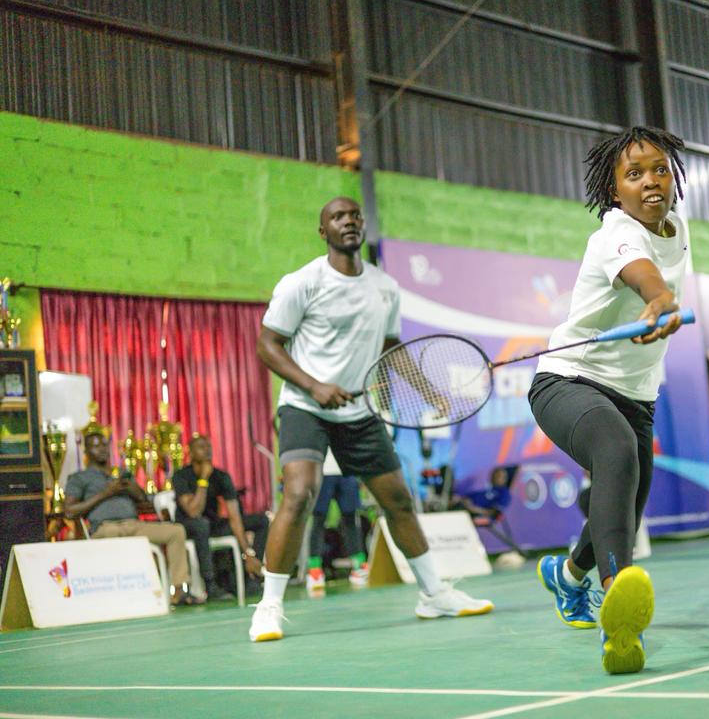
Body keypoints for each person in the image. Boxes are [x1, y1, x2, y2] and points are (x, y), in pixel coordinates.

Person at [248, 196, 493, 642]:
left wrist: (431, 392)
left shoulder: (384, 287)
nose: (349, 222)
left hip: (359, 411)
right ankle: (269, 607)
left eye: (355, 215)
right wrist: (315, 385)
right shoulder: (302, 283)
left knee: (398, 500)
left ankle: (434, 594)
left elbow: (389, 352)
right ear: (323, 231)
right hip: (306, 406)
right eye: (338, 217)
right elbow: (267, 344)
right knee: (299, 493)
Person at [529, 126, 689, 674]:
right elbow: (643, 274)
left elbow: (658, 265)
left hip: (636, 397)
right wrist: (661, 297)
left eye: (660, 169)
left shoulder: (677, 226)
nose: (650, 182)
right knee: (616, 454)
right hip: (569, 381)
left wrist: (662, 309)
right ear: (614, 190)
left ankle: (567, 578)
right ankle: (617, 610)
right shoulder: (614, 234)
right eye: (634, 174)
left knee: (627, 502)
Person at [64, 413, 201, 606]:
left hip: (135, 525)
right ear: (86, 451)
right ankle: (118, 595)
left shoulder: (121, 473)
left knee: (176, 531)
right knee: (112, 534)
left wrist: (133, 488)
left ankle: (179, 591)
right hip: (105, 528)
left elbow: (145, 501)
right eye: (96, 446)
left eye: (104, 445)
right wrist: (106, 492)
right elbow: (69, 511)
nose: (102, 449)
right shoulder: (80, 478)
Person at [171, 434, 268, 599]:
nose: (207, 450)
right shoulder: (181, 476)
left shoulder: (221, 476)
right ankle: (210, 585)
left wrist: (248, 554)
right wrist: (203, 480)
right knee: (201, 524)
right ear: (191, 453)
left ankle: (252, 572)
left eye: (208, 446)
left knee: (261, 520)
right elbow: (193, 512)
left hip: (213, 524)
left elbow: (234, 516)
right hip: (188, 526)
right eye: (201, 447)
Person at [305, 451, 369, 596]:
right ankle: (314, 571)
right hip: (321, 471)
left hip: (347, 470)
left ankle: (359, 566)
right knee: (318, 520)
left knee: (351, 519)